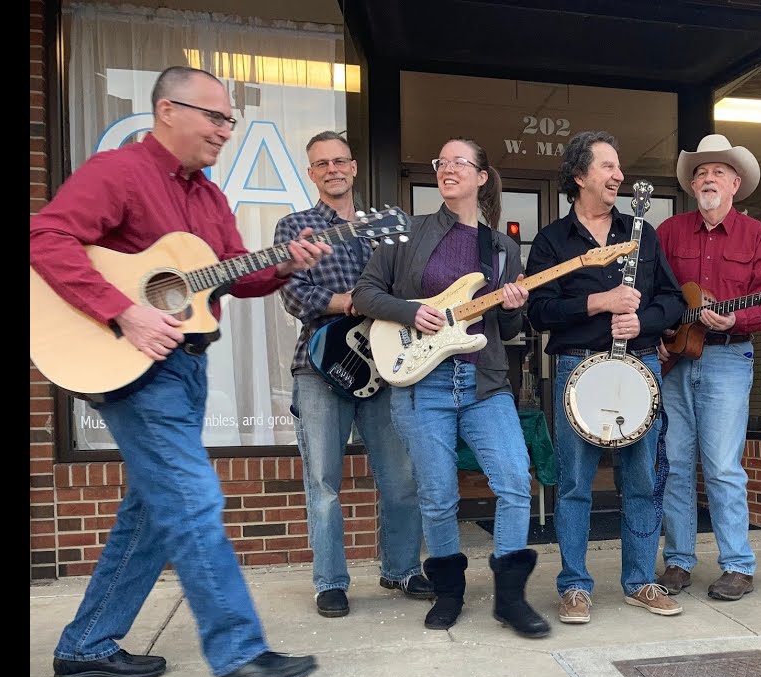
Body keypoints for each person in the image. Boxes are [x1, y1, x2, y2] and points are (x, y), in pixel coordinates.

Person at [30, 66, 324, 677]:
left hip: (186, 365)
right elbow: (46, 236)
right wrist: (123, 309)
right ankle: (239, 656)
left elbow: (228, 278)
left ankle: (86, 645)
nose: (225, 130)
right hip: (134, 367)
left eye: (229, 120)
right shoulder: (119, 173)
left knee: (150, 512)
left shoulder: (210, 197)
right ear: (167, 110)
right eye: (214, 117)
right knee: (193, 501)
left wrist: (284, 265)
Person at [351, 137, 551, 639]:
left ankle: (509, 597)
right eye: (441, 162)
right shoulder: (409, 233)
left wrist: (514, 306)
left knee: (513, 480)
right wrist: (408, 310)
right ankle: (449, 592)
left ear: (482, 177)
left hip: (483, 382)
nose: (447, 169)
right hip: (423, 383)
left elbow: (506, 334)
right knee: (438, 497)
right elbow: (364, 293)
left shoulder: (502, 248)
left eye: (459, 162)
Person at [526, 130, 688, 624]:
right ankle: (574, 586)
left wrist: (644, 321)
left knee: (642, 478)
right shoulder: (554, 240)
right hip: (578, 367)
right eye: (608, 167)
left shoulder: (642, 231)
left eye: (619, 168)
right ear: (580, 176)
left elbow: (675, 300)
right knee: (574, 483)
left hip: (639, 366)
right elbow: (538, 311)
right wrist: (599, 302)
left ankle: (640, 580)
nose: (619, 175)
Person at [274, 130, 434, 620]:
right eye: (321, 164)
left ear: (354, 167)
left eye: (340, 160)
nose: (332, 170)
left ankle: (402, 568)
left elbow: (410, 285)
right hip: (319, 367)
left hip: (385, 368)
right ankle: (330, 582)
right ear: (311, 173)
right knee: (323, 482)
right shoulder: (294, 227)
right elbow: (295, 295)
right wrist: (356, 302)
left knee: (402, 478)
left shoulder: (387, 225)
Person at [654, 134, 761, 602]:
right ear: (692, 184)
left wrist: (735, 318)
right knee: (676, 464)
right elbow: (655, 296)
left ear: (735, 183)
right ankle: (679, 561)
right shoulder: (668, 232)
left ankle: (737, 565)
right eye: (700, 172)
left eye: (717, 172)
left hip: (728, 355)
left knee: (723, 466)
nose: (707, 178)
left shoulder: (758, 236)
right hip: (676, 359)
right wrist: (661, 338)